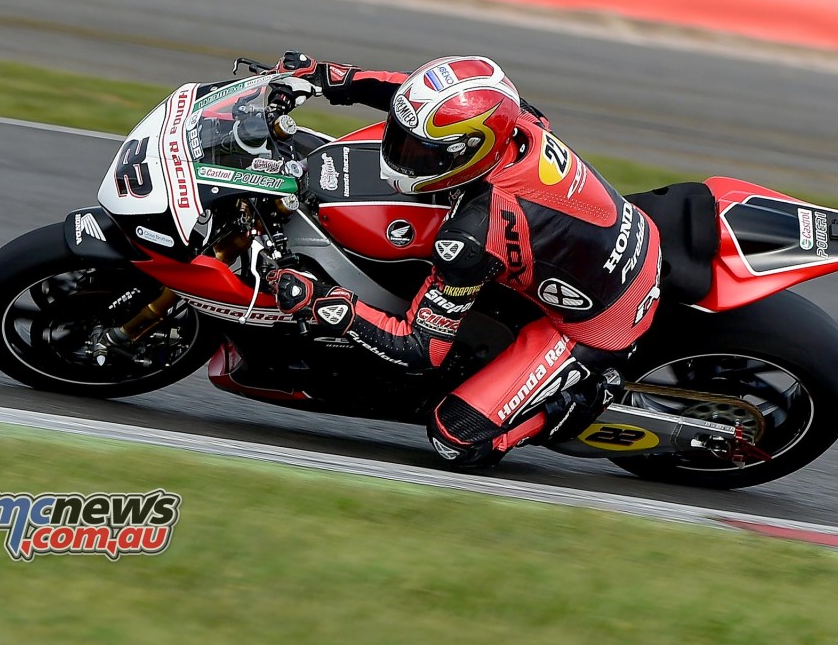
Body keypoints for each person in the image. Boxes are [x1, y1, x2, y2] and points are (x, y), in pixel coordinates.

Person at [267, 51, 662, 467]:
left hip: (602, 320)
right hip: (614, 238)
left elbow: (419, 348)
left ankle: (580, 398)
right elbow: (409, 94)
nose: (400, 155)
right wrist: (330, 77)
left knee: (455, 438)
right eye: (402, 139)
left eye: (420, 152)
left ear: (468, 151)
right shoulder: (512, 117)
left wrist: (323, 303)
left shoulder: (473, 234)